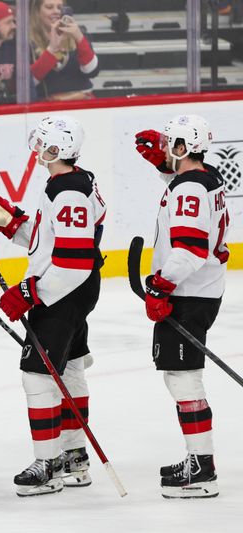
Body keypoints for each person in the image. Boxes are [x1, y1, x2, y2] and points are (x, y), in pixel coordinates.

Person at [0, 114, 105, 496]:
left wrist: (31, 292)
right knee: (69, 369)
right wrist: (12, 223)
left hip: (64, 291)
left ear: (61, 149)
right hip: (72, 288)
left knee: (37, 375)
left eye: (45, 144)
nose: (38, 150)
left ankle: (47, 464)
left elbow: (73, 262)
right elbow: (51, 243)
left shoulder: (66, 189)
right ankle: (74, 456)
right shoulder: (73, 181)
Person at [134, 115, 229, 499]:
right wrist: (163, 165)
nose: (166, 149)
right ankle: (199, 461)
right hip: (202, 288)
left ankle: (201, 468)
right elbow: (185, 187)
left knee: (183, 377)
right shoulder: (206, 176)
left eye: (171, 144)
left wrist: (161, 285)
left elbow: (190, 248)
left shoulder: (189, 186)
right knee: (181, 375)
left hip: (188, 293)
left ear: (183, 148)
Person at [29, 0, 99, 101]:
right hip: (46, 106)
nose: (56, 11)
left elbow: (92, 72)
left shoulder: (79, 34)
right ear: (37, 11)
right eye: (49, 7)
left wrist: (79, 37)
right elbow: (28, 83)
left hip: (81, 101)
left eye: (59, 7)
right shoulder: (26, 41)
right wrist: (51, 50)